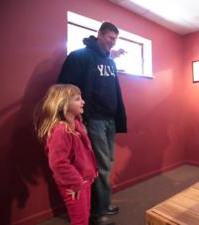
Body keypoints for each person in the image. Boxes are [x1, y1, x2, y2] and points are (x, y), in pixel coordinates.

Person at [58, 21, 127, 225]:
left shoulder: (110, 61)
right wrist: (74, 118)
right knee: (100, 166)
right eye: (110, 38)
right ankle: (98, 213)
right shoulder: (80, 56)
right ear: (99, 34)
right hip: (93, 119)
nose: (113, 43)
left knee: (107, 164)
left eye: (115, 39)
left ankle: (103, 205)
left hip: (109, 120)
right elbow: (63, 88)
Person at [35, 84, 98, 225]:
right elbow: (58, 163)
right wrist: (76, 183)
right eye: (77, 99)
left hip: (84, 180)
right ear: (63, 104)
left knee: (85, 214)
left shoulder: (77, 124)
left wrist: (90, 174)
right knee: (80, 220)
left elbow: (85, 152)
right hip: (73, 184)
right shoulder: (61, 131)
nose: (83, 102)